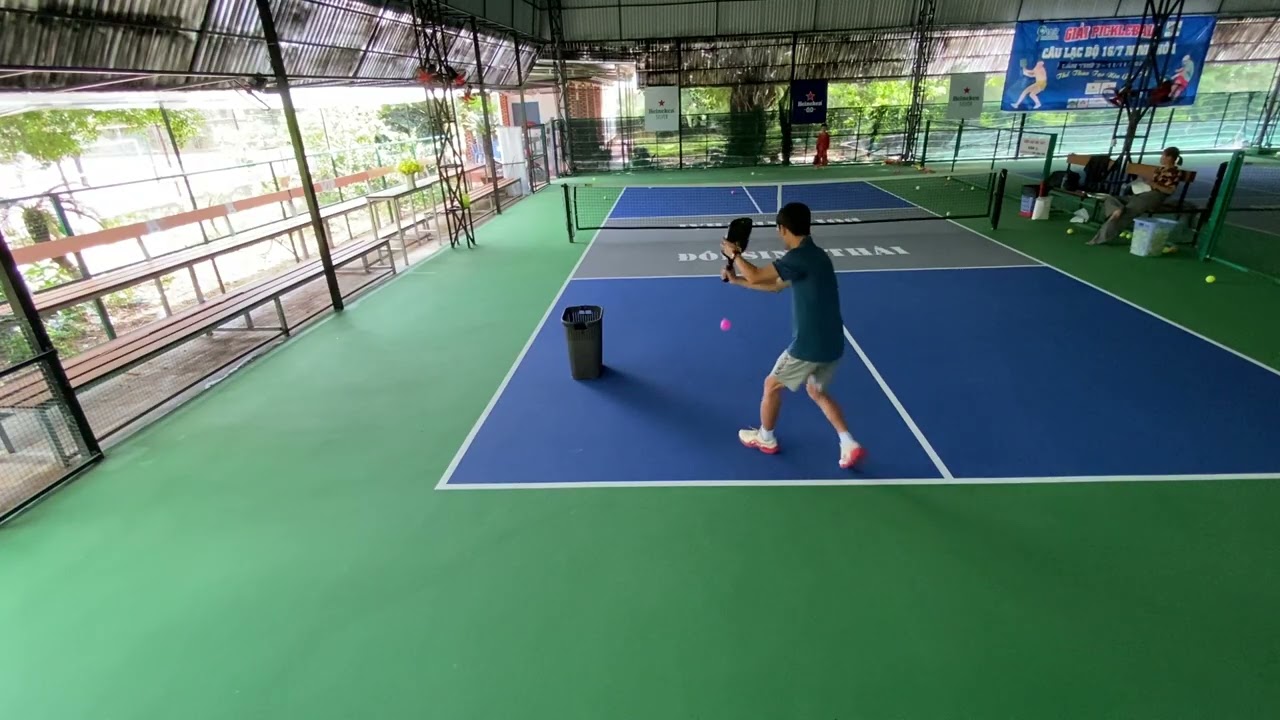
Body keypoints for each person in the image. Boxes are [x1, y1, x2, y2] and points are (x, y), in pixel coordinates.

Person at [720, 202, 865, 470]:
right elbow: (774, 286)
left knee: (771, 385)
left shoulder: (797, 258)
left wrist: (734, 254)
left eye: (779, 231)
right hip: (833, 344)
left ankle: (766, 438)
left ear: (783, 229)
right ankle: (848, 442)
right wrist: (736, 280)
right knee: (817, 391)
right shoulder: (817, 257)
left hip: (809, 345)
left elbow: (754, 274)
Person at [1087, 146, 1182, 246]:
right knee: (1111, 198)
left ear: (1170, 158)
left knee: (1126, 213)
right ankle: (1116, 210)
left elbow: (1169, 191)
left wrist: (1152, 184)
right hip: (1143, 193)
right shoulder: (1159, 169)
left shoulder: (1174, 172)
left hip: (1153, 197)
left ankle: (1100, 238)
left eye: (1163, 155)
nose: (1161, 157)